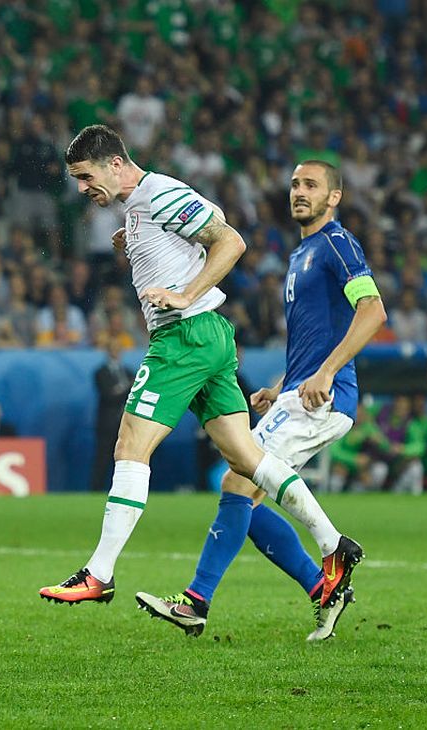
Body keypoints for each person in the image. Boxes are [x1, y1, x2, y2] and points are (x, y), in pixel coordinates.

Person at [39, 126, 362, 637]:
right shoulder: (141, 207)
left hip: (183, 337)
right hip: (208, 338)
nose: (81, 188)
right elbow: (188, 239)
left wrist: (187, 294)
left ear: (116, 164)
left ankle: (99, 573)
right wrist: (139, 240)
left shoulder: (159, 191)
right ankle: (333, 545)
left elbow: (230, 241)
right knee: (246, 462)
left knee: (130, 445)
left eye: (85, 176)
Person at [136, 160, 386, 640]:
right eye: (294, 184)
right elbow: (316, 336)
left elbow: (373, 312)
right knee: (241, 495)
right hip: (298, 392)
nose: (299, 192)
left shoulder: (336, 242)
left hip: (327, 396)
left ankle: (201, 599)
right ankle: (321, 588)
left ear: (334, 197)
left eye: (311, 185)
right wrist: (283, 385)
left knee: (237, 480)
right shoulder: (301, 254)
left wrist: (327, 372)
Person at [89, 339, 134, 491]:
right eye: (114, 349)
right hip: (107, 424)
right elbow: (109, 396)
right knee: (102, 459)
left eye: (118, 349)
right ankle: (96, 490)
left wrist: (120, 390)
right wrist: (126, 388)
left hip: (125, 422)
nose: (116, 352)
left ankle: (124, 491)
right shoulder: (100, 373)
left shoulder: (128, 372)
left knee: (126, 459)